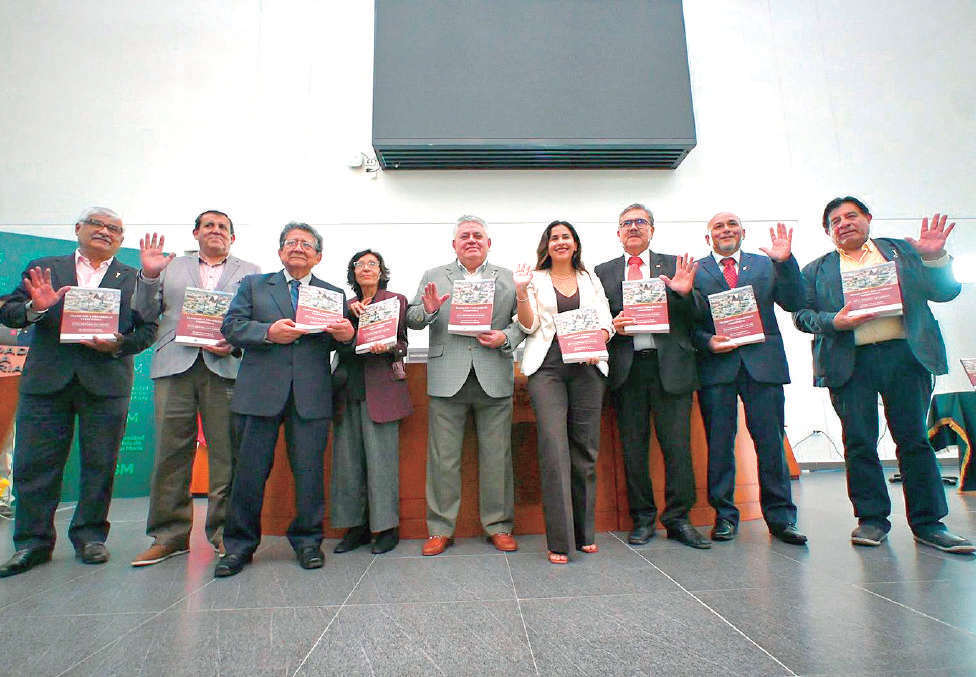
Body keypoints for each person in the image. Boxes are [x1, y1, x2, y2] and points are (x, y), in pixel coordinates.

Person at [793, 196, 974, 554]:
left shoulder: (903, 253)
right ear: (828, 232)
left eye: (851, 216)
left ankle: (929, 523)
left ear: (868, 218)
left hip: (905, 356)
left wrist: (935, 257)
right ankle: (872, 520)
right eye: (835, 221)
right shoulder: (816, 270)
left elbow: (945, 292)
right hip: (849, 361)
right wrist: (834, 321)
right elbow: (802, 315)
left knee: (914, 440)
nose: (844, 223)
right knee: (859, 441)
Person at [0, 207, 157, 577]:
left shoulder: (135, 279)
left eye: (114, 228)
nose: (104, 231)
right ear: (78, 228)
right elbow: (9, 312)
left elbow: (148, 329)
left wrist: (119, 343)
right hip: (47, 381)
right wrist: (35, 308)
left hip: (106, 381)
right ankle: (32, 543)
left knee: (100, 464)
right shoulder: (45, 268)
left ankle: (90, 537)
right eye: (96, 224)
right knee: (35, 464)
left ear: (121, 239)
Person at [213, 222, 355, 577]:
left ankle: (308, 542)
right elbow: (231, 327)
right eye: (291, 242)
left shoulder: (333, 294)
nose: (298, 247)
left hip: (311, 395)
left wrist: (348, 336)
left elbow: (341, 346)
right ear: (280, 252)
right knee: (248, 474)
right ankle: (238, 546)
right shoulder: (254, 285)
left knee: (309, 475)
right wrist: (267, 332)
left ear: (318, 256)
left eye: (306, 244)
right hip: (259, 393)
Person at [129, 210, 260, 567]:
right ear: (196, 233)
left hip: (226, 367)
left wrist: (235, 342)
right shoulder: (169, 266)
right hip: (175, 365)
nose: (216, 230)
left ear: (233, 237)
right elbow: (143, 313)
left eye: (223, 227)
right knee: (170, 453)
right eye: (209, 225)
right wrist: (149, 275)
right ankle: (169, 536)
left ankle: (225, 534)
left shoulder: (251, 272)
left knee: (226, 455)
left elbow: (254, 320)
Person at [406, 215, 525, 556]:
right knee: (443, 460)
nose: (471, 240)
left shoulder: (508, 278)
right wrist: (428, 311)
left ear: (489, 243)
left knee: (497, 458)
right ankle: (440, 529)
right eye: (464, 236)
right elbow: (412, 319)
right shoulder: (434, 275)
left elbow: (525, 322)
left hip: (494, 374)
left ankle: (499, 526)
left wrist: (506, 337)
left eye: (477, 235)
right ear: (454, 244)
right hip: (447, 378)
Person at [595, 203, 710, 549]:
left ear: (652, 230)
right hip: (627, 371)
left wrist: (684, 293)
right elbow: (595, 318)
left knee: (677, 449)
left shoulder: (676, 265)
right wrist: (611, 325)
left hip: (670, 367)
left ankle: (678, 519)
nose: (633, 227)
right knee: (633, 450)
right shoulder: (602, 272)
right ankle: (643, 519)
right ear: (618, 232)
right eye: (626, 223)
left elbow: (700, 314)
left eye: (640, 222)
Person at [692, 213, 806, 545]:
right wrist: (706, 342)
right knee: (719, 444)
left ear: (743, 232)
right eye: (718, 226)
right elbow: (688, 322)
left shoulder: (766, 264)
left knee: (771, 442)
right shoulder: (695, 270)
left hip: (763, 364)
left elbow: (795, 301)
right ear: (708, 237)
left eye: (732, 225)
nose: (726, 230)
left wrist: (785, 262)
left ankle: (782, 518)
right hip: (717, 366)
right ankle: (725, 516)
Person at [514, 221, 613, 564]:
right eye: (554, 237)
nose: (560, 242)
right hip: (548, 369)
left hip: (588, 368)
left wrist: (599, 338)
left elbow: (606, 321)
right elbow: (528, 325)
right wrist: (521, 291)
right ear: (547, 245)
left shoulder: (590, 279)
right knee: (554, 449)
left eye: (565, 237)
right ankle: (559, 540)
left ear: (575, 244)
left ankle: (585, 533)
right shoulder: (535, 279)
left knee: (585, 450)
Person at [330, 249, 412, 555]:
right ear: (353, 271)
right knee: (348, 464)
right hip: (347, 389)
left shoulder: (395, 301)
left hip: (382, 391)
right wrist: (350, 324)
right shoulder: (343, 306)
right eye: (360, 264)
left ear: (381, 271)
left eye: (372, 264)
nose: (366, 268)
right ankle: (357, 528)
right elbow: (336, 345)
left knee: (382, 463)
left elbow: (403, 344)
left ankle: (386, 528)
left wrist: (388, 346)